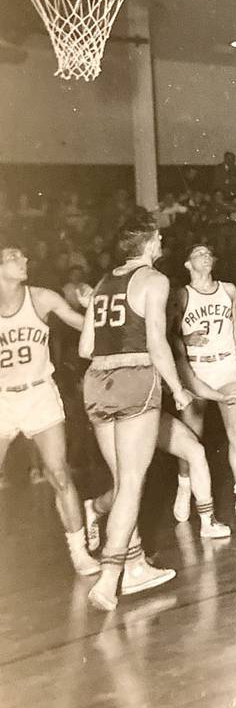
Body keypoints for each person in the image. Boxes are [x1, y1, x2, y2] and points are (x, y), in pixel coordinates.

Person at [79, 209, 193, 610]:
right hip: (133, 380)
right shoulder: (155, 281)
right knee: (131, 483)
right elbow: (158, 345)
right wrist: (178, 389)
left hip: (96, 381)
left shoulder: (103, 283)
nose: (162, 242)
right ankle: (110, 579)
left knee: (125, 479)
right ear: (146, 243)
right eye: (158, 238)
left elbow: (85, 348)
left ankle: (137, 563)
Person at [0, 242, 98, 576]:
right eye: (14, 257)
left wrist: (96, 308)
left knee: (59, 473)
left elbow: (82, 324)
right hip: (2, 399)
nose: (24, 259)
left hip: (40, 394)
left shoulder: (41, 298)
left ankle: (79, 551)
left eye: (23, 255)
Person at [172, 245, 236, 521]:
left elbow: (235, 322)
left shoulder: (229, 290)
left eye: (209, 253)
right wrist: (187, 340)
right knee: (191, 437)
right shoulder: (182, 295)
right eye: (199, 254)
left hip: (226, 365)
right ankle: (184, 486)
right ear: (188, 264)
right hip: (196, 368)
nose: (206, 257)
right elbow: (169, 334)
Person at [84, 411, 232, 550]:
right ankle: (96, 508)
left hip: (149, 411)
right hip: (120, 416)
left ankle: (208, 522)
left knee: (195, 451)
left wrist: (178, 390)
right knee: (130, 485)